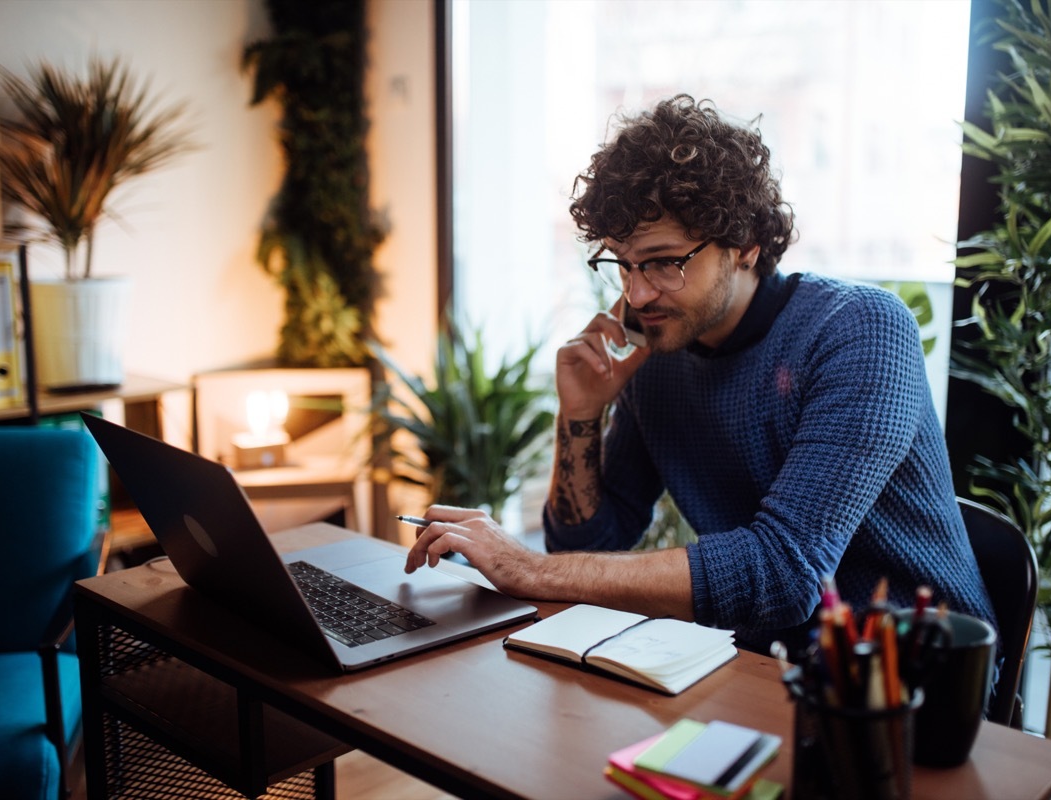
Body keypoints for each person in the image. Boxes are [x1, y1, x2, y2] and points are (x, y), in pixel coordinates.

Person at [404, 94, 997, 657]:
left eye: (664, 262)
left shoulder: (859, 331)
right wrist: (581, 414)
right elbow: (588, 549)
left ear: (746, 243)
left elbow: (785, 573)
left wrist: (527, 566)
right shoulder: (657, 352)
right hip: (758, 665)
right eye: (623, 264)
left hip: (919, 679)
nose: (636, 294)